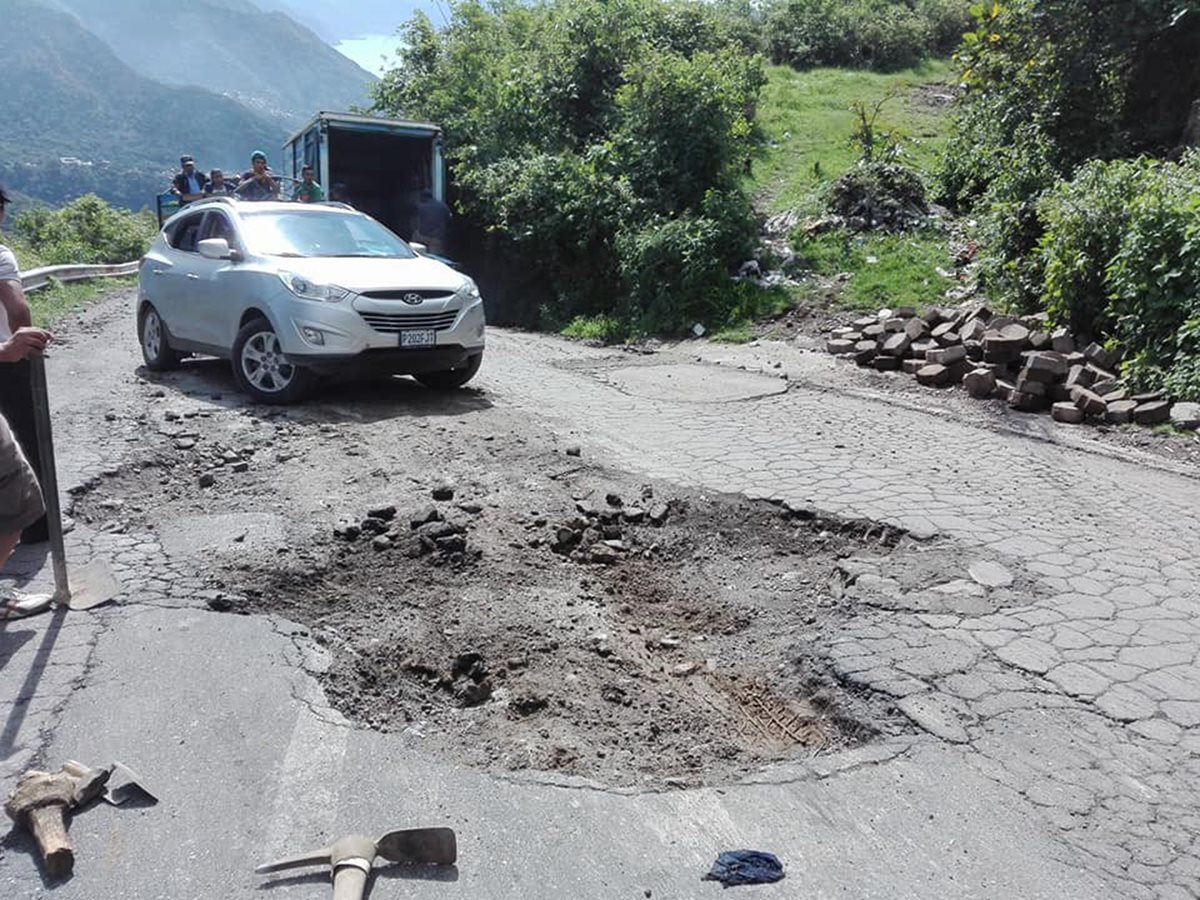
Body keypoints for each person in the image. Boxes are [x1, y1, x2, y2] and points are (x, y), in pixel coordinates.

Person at [0, 182, 52, 555]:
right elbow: (17, 309)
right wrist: (18, 346)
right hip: (6, 360)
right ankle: (35, 525)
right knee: (23, 442)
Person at [413, 188, 452, 256]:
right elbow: (449, 219)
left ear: (423, 197)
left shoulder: (420, 207)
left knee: (418, 253)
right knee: (435, 258)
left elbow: (414, 221)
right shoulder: (443, 206)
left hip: (422, 237)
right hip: (437, 238)